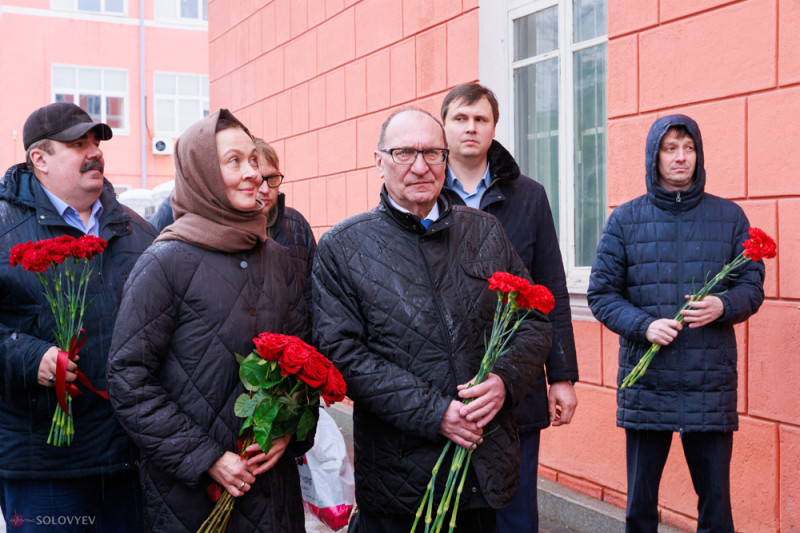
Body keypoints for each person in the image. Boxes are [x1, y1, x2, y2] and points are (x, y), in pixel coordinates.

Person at [312, 108, 553, 533]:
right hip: (401, 479)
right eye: (405, 152)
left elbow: (531, 320)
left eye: (432, 153)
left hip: (482, 467)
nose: (421, 166)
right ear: (378, 161)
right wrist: (434, 412)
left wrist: (504, 381)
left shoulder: (485, 231)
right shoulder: (344, 247)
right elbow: (342, 353)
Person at [106, 109, 311, 532]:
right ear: (200, 173)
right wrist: (207, 459)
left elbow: (304, 359)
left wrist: (288, 433)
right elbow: (129, 381)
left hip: (273, 491)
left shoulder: (277, 258)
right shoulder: (164, 263)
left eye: (253, 160)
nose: (252, 172)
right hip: (192, 497)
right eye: (234, 161)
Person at [587, 114, 766, 533]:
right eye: (670, 148)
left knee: (716, 507)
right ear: (655, 156)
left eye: (688, 148)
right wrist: (644, 326)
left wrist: (723, 306)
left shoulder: (729, 217)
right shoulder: (625, 220)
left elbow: (751, 288)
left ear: (698, 155)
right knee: (640, 507)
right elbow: (601, 294)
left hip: (709, 384)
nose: (680, 157)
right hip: (648, 384)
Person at [0, 102, 155, 531]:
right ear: (39, 159)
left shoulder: (137, 230)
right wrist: (29, 357)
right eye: (77, 144)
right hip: (45, 470)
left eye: (95, 142)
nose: (94, 152)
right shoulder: (4, 231)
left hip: (129, 457)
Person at [439, 83, 579, 533]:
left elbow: (551, 287)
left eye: (480, 119)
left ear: (494, 127)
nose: (470, 128)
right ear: (444, 126)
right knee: (453, 510)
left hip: (517, 380)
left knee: (515, 515)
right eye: (461, 118)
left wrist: (561, 376)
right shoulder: (425, 192)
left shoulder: (529, 196)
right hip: (449, 380)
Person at [149, 139, 316, 312]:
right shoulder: (204, 226)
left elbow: (311, 296)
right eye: (259, 179)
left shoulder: (296, 225)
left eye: (272, 178)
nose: (265, 189)